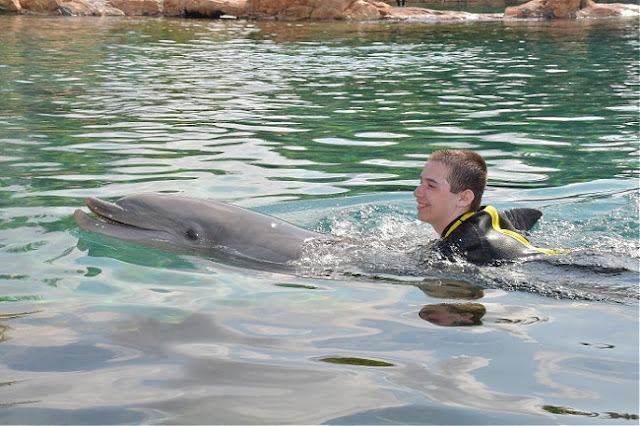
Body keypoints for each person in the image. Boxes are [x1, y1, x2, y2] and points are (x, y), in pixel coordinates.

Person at [413, 149, 562, 265]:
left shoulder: (459, 248)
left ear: (464, 198)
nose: (417, 192)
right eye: (421, 183)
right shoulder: (487, 215)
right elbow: (530, 215)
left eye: (431, 186)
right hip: (557, 255)